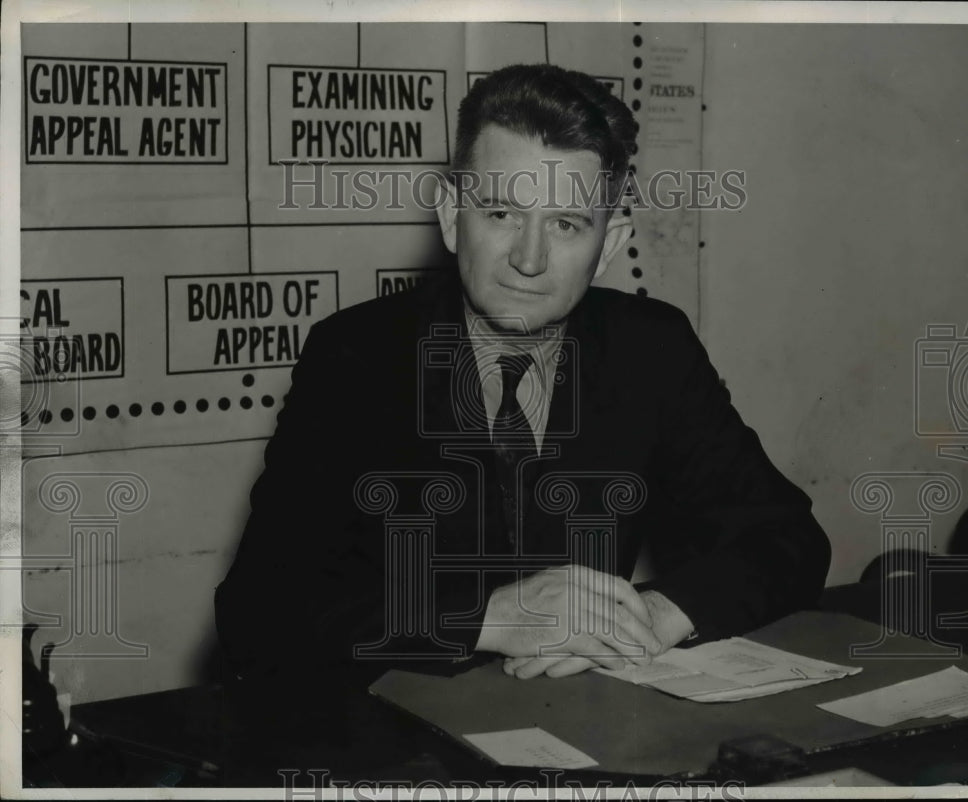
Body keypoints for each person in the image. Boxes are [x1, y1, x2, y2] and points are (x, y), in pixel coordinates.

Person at [215, 64, 831, 688]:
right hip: (400, 726)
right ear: (452, 216)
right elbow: (257, 610)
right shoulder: (356, 357)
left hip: (585, 717)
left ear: (608, 244)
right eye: (501, 213)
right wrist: (487, 618)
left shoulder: (651, 348)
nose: (529, 260)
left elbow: (788, 538)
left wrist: (651, 615)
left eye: (566, 224)